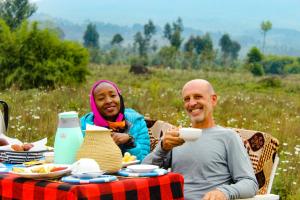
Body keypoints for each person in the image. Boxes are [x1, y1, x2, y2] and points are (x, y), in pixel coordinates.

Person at [143, 79, 258, 200]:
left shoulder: (228, 137)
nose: (192, 103)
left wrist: (224, 192)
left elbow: (250, 183)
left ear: (213, 100)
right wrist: (162, 148)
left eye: (198, 97)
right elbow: (142, 174)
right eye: (187, 99)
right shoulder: (176, 136)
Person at [80, 80, 150, 161]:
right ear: (94, 104)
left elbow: (144, 161)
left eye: (113, 95)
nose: (109, 101)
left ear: (120, 98)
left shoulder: (137, 122)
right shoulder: (84, 126)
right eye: (101, 98)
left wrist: (129, 141)